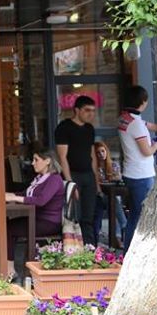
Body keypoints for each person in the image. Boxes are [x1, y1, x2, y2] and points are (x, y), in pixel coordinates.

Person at [0, 149, 65, 279]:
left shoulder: (54, 179)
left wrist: (15, 198)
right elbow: (27, 193)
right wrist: (10, 195)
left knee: (8, 228)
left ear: (47, 161)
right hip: (36, 218)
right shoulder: (40, 178)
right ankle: (3, 263)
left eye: (36, 160)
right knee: (3, 224)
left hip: (49, 223)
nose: (33, 163)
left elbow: (41, 200)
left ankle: (9, 270)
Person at [118, 85, 157, 247]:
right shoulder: (136, 124)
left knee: (135, 214)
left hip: (131, 173)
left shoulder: (125, 118)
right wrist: (156, 145)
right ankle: (133, 250)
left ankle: (129, 250)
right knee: (142, 216)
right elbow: (146, 151)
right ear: (142, 101)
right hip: (141, 175)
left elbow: (154, 126)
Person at [55, 95, 99, 246]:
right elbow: (62, 157)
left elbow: (92, 155)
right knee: (74, 216)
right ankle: (74, 250)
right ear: (77, 110)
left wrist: (96, 180)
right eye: (87, 110)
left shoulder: (89, 129)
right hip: (72, 175)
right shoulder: (64, 127)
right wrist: (70, 183)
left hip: (88, 175)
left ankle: (90, 249)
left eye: (93, 110)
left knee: (89, 216)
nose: (91, 114)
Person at [93, 141, 124, 246]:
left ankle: (117, 237)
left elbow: (118, 177)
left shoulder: (113, 164)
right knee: (113, 203)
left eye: (103, 151)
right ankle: (123, 226)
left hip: (110, 194)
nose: (101, 154)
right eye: (98, 152)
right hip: (98, 196)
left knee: (113, 203)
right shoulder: (95, 167)